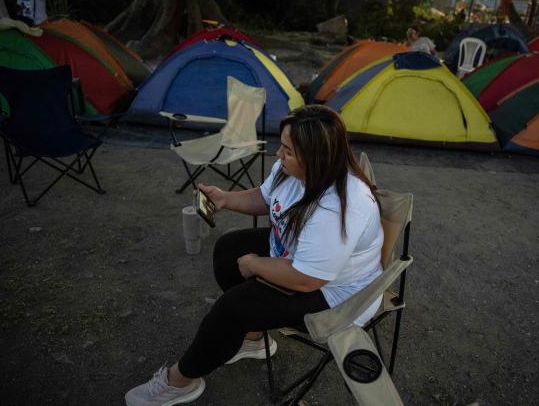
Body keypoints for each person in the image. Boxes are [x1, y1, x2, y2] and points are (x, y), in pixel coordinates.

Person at [125, 105, 384, 406]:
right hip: (300, 259)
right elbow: (264, 197)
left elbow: (306, 280)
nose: (278, 155)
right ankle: (253, 339)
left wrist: (256, 264)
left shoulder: (339, 207)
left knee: (234, 307)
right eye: (282, 146)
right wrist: (225, 199)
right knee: (227, 250)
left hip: (336, 294)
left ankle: (181, 381)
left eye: (287, 151)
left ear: (316, 157)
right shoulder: (292, 171)